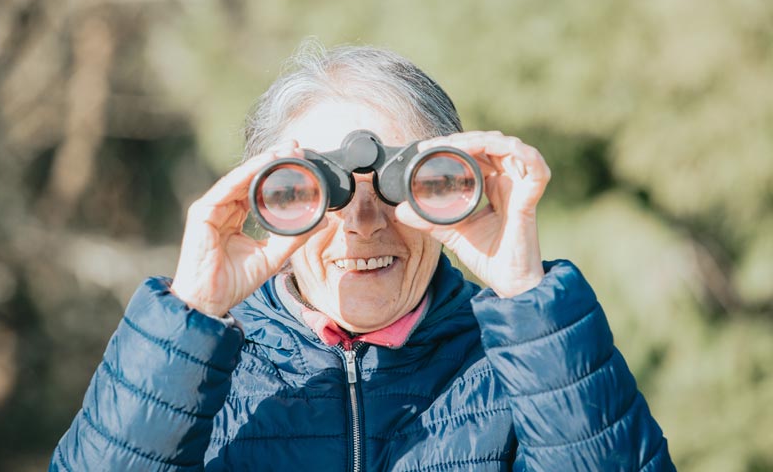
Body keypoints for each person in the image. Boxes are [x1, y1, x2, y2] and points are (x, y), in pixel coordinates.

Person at [50, 43, 676, 471]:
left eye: (410, 186)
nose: (362, 222)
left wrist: (527, 296)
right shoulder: (204, 380)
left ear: (453, 186)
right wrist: (189, 317)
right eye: (311, 191)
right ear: (258, 198)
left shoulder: (520, 367)